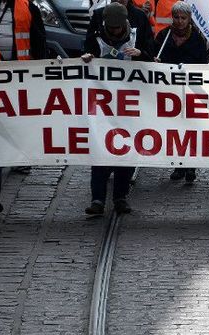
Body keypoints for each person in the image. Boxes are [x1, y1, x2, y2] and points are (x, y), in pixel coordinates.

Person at [82, 2, 154, 215]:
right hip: (103, 102)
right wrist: (88, 57)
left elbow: (151, 54)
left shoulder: (139, 21)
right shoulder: (96, 22)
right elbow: (88, 49)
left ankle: (120, 197)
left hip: (130, 100)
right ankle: (98, 199)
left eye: (118, 29)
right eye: (111, 30)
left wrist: (141, 53)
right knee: (100, 146)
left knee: (126, 147)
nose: (114, 33)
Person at [155, 1, 209, 183]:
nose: (179, 21)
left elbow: (203, 67)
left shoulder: (198, 39)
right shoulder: (163, 36)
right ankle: (179, 165)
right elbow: (152, 59)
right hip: (169, 93)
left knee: (191, 130)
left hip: (190, 92)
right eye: (176, 17)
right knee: (175, 130)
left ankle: (190, 166)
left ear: (189, 19)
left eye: (183, 18)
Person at [0, 0, 47, 175]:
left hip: (20, 74)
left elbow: (39, 39)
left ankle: (18, 158)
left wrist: (42, 70)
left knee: (19, 117)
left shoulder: (27, 7)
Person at [86, 0, 154, 60]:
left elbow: (150, 48)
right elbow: (89, 44)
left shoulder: (140, 17)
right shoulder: (98, 15)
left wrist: (140, 53)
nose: (118, 0)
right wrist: (89, 56)